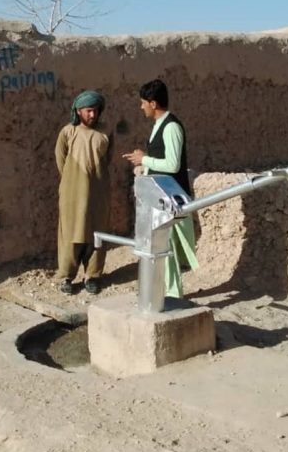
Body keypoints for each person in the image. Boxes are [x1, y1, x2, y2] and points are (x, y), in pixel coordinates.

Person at [122, 79, 199, 298]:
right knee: (163, 246)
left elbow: (173, 164)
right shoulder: (158, 125)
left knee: (170, 246)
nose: (141, 107)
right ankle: (168, 292)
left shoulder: (171, 127)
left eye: (143, 103)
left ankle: (174, 295)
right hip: (159, 196)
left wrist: (145, 159)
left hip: (171, 196)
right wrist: (143, 161)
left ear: (153, 103)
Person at [54, 90, 112, 295]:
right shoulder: (68, 132)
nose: (93, 115)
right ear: (78, 111)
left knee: (96, 233)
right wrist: (73, 180)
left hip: (98, 191)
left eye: (96, 111)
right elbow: (60, 159)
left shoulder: (105, 132)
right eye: (89, 111)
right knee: (71, 233)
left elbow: (107, 159)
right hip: (72, 192)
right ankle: (66, 276)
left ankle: (93, 276)